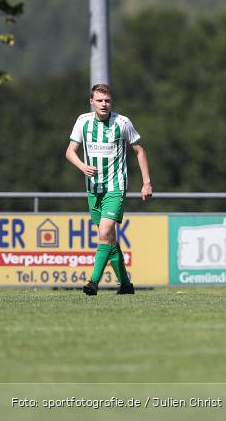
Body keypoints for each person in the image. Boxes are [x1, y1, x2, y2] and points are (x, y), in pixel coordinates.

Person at [65, 84, 152, 296]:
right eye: (100, 100)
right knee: (110, 239)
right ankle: (126, 285)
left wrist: (146, 182)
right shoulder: (83, 121)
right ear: (91, 101)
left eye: (107, 101)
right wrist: (82, 166)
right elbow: (70, 152)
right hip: (94, 189)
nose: (104, 104)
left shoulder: (122, 123)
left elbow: (139, 151)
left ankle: (93, 282)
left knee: (104, 234)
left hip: (115, 187)